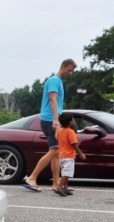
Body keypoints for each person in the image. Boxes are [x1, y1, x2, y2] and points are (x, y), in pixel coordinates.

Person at [22, 58, 77, 193]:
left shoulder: (58, 82)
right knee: (54, 150)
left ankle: (56, 183)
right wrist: (56, 120)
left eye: (72, 71)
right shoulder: (54, 81)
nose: (71, 73)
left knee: (56, 153)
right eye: (69, 70)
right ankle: (32, 178)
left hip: (50, 119)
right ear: (63, 67)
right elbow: (52, 99)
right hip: (49, 120)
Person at [54, 113, 85, 196]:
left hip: (61, 156)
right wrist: (80, 153)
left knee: (65, 173)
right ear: (71, 122)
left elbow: (56, 138)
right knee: (66, 173)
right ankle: (60, 187)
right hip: (68, 156)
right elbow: (74, 144)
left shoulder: (60, 131)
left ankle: (65, 188)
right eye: (73, 119)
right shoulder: (70, 132)